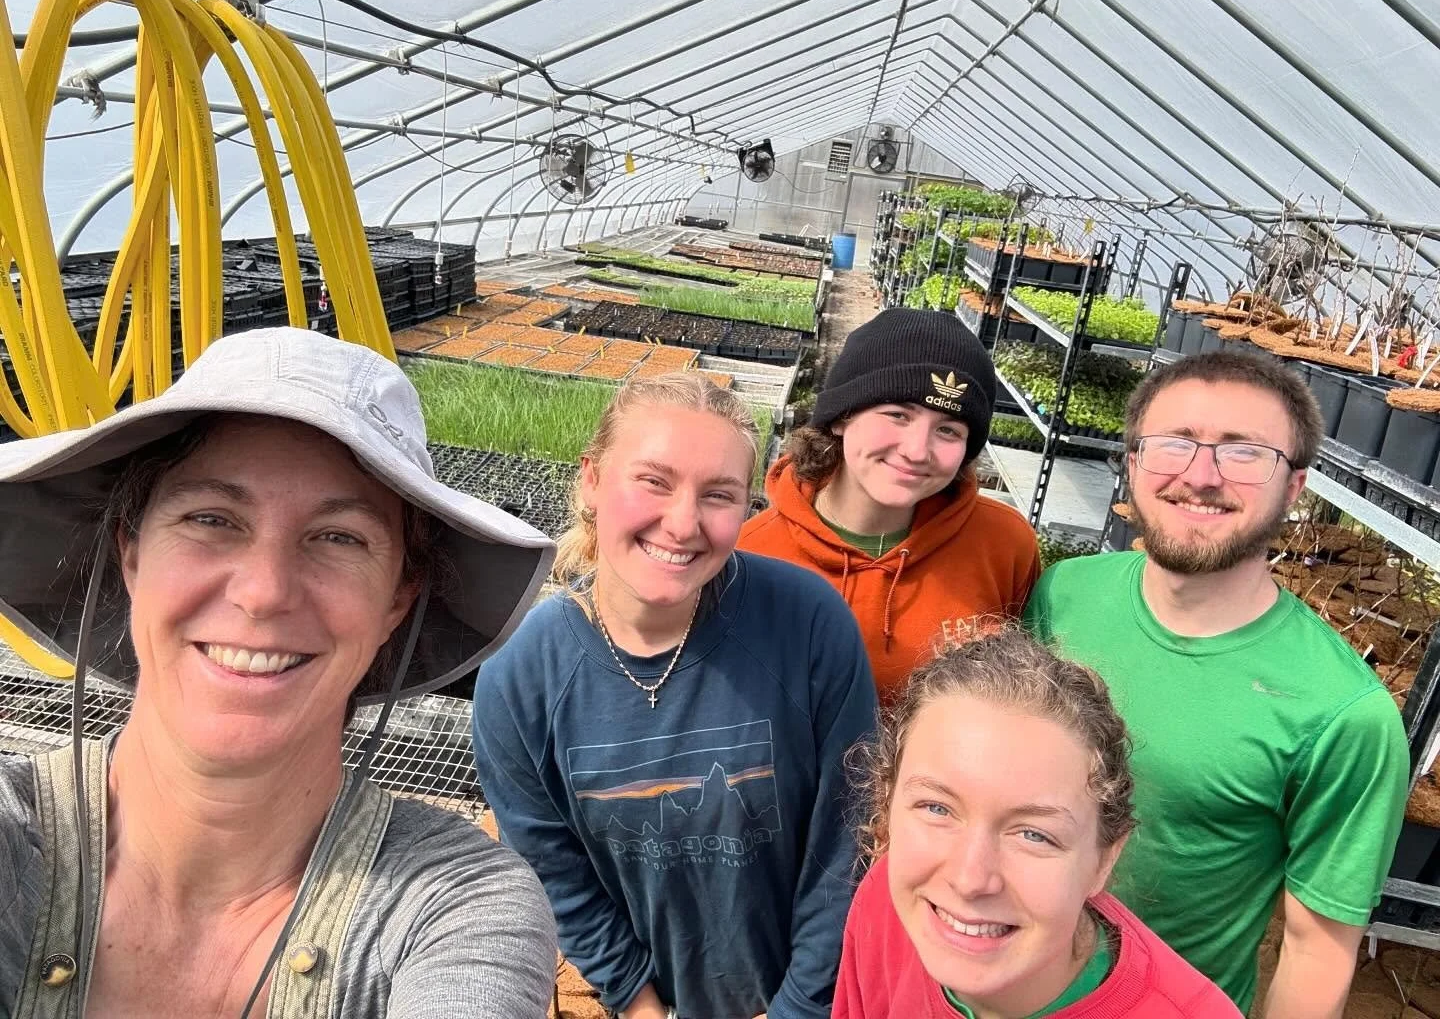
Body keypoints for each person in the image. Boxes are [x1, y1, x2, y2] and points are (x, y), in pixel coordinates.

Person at [0, 327, 559, 1017]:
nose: (264, 591)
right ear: (132, 554)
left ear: (396, 600)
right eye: (213, 518)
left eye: (337, 538)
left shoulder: (450, 906)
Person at [470, 371, 878, 1019]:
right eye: (654, 481)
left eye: (719, 495)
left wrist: (800, 1008)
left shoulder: (809, 626)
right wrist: (638, 1003)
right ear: (593, 480)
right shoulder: (519, 680)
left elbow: (847, 840)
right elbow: (556, 872)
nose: (683, 523)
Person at [1024, 351, 1409, 1017]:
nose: (1200, 477)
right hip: (992, 983)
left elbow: (1317, 949)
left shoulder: (1344, 713)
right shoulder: (1063, 595)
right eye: (1173, 444)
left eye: (1244, 454)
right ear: (1135, 462)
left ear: (1295, 488)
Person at [833, 624, 1239, 1018]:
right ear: (886, 807)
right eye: (936, 808)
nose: (970, 880)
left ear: (1104, 860)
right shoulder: (883, 905)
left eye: (1034, 835)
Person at [738, 308, 1039, 705]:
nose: (917, 451)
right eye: (897, 415)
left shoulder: (1004, 545)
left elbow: (1028, 698)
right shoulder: (750, 554)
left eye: (948, 429)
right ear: (842, 416)